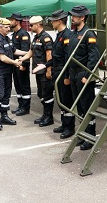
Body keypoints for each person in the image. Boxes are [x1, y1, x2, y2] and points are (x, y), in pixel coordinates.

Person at [67, 5, 99, 150]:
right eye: (72, 15)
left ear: (82, 17)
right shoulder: (73, 34)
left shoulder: (89, 34)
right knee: (79, 106)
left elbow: (93, 57)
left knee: (87, 107)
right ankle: (82, 134)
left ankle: (90, 137)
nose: (72, 18)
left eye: (75, 16)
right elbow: (69, 56)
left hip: (83, 74)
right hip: (73, 74)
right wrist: (68, 75)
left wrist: (88, 75)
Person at [17, 16, 54, 127]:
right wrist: (22, 59)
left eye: (32, 25)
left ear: (38, 25)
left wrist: (48, 71)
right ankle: (45, 115)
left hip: (44, 72)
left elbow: (49, 55)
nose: (30, 27)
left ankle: (49, 117)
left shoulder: (45, 37)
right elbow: (31, 52)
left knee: (47, 94)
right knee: (41, 94)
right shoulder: (36, 37)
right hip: (38, 72)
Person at [45, 9, 75, 138]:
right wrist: (46, 66)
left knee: (67, 101)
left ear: (58, 21)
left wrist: (67, 76)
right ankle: (64, 124)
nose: (51, 23)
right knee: (61, 99)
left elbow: (68, 58)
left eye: (53, 21)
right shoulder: (60, 34)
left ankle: (69, 127)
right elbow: (56, 56)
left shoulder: (67, 35)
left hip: (64, 72)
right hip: (58, 71)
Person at [0, 18, 20, 130]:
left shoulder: (7, 39)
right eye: (6, 27)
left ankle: (4, 116)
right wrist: (15, 62)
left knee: (6, 96)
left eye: (9, 27)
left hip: (7, 72)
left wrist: (29, 53)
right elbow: (2, 58)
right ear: (0, 27)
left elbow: (14, 51)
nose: (8, 29)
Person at [9, 13, 31, 116]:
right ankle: (20, 105)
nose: (10, 22)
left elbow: (26, 51)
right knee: (18, 86)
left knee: (24, 86)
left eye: (12, 20)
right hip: (15, 65)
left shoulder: (23, 34)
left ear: (17, 22)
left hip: (21, 65)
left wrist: (24, 65)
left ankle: (25, 108)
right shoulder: (14, 34)